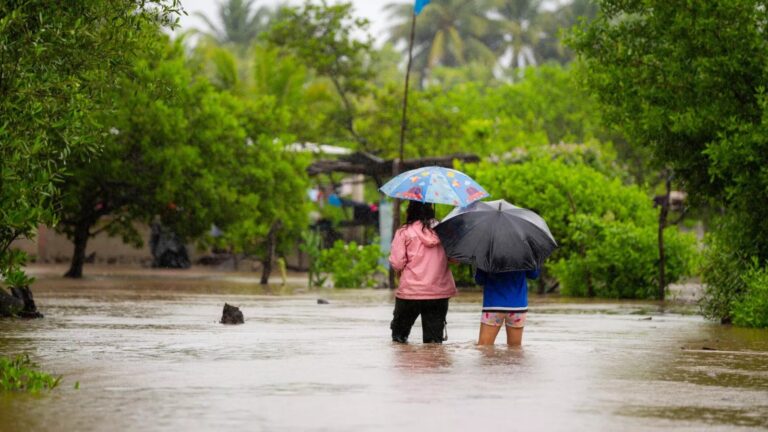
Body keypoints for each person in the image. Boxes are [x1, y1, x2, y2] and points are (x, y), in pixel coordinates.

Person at [389, 201, 457, 344]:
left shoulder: (404, 232)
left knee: (399, 339)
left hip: (410, 292)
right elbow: (455, 258)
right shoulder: (444, 230)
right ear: (431, 210)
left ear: (410, 210)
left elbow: (397, 263)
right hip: (438, 292)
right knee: (434, 343)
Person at [475, 268, 540, 346]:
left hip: (493, 305)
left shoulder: (487, 257)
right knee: (515, 350)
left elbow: (479, 280)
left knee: (484, 347)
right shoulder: (524, 256)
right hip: (518, 307)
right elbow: (534, 275)